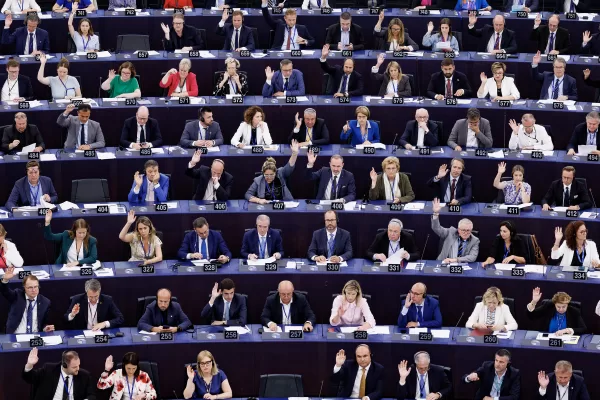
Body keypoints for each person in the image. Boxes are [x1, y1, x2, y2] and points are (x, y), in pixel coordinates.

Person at [23, 349, 96, 400]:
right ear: (64, 365)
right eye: (74, 367)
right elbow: (30, 378)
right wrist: (29, 364)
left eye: (78, 365)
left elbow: (92, 395)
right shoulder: (49, 370)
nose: (78, 368)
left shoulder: (84, 375)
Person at [431, 198, 479, 262]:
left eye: (468, 230)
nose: (466, 232)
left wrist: (455, 260)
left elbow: (472, 257)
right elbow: (436, 228)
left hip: (462, 266)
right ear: (458, 230)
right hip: (444, 263)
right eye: (463, 230)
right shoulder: (450, 232)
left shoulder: (475, 240)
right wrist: (436, 213)